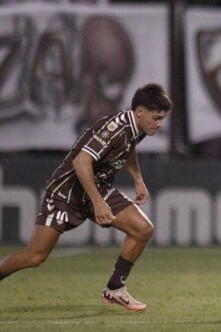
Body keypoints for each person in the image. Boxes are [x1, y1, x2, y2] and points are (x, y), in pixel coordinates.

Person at [0, 83, 172, 312]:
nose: (159, 124)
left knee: (143, 229)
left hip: (96, 187)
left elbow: (129, 148)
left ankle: (115, 289)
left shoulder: (137, 127)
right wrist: (98, 202)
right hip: (66, 192)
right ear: (139, 111)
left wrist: (138, 179)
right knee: (34, 257)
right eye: (156, 117)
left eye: (162, 118)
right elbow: (81, 161)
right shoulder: (115, 129)